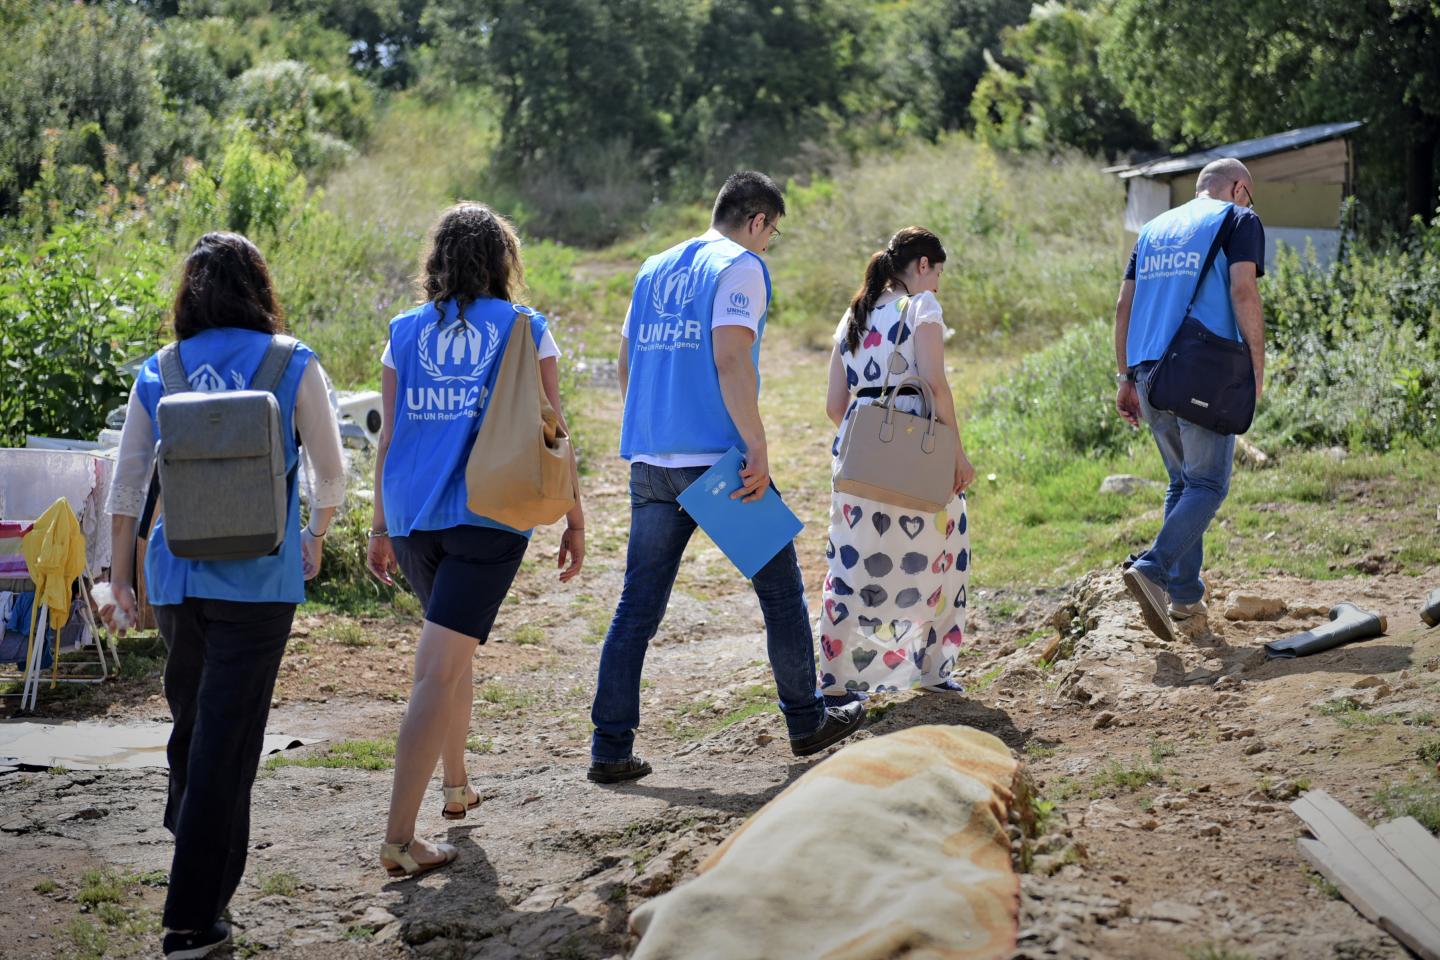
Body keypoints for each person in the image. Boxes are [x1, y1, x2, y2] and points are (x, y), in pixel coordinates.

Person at [99, 232, 346, 960]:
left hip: (176, 577)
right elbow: (331, 472)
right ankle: (192, 918)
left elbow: (128, 482)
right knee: (224, 742)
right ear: (258, 289)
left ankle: (198, 849)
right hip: (260, 581)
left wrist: (121, 577)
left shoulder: (162, 368)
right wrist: (315, 533)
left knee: (195, 726)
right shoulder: (291, 362)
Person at [588, 171, 866, 784]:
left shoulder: (653, 267)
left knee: (636, 608)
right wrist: (757, 446)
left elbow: (626, 361)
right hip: (719, 464)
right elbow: (731, 357)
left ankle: (609, 748)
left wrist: (652, 428)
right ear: (758, 220)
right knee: (780, 593)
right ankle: (806, 720)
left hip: (651, 462)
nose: (769, 244)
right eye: (773, 233)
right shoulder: (740, 266)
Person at [366, 202, 585, 877]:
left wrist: (378, 524)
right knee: (438, 667)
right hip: (488, 517)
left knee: (449, 653)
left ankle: (456, 783)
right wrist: (575, 516)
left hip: (412, 517)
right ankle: (400, 839)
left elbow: (389, 435)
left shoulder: (403, 331)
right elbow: (553, 429)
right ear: (501, 261)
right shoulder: (525, 327)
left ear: (437, 260)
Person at [820, 227, 976, 702]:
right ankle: (930, 669)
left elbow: (834, 404)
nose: (938, 285)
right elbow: (935, 383)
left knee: (851, 565)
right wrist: (957, 452)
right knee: (941, 555)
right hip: (918, 452)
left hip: (858, 452)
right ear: (923, 265)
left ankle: (836, 680)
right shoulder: (921, 307)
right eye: (938, 273)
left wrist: (871, 436)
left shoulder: (855, 313)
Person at [1114, 157, 1265, 640]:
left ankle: (1183, 597)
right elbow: (1243, 291)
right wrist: (1257, 367)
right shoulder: (1237, 219)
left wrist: (1124, 376)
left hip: (1149, 373)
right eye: (1250, 196)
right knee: (1208, 485)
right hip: (1201, 371)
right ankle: (1152, 568)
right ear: (1238, 189)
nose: (1250, 205)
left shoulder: (1152, 230)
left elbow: (1123, 305)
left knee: (1182, 484)